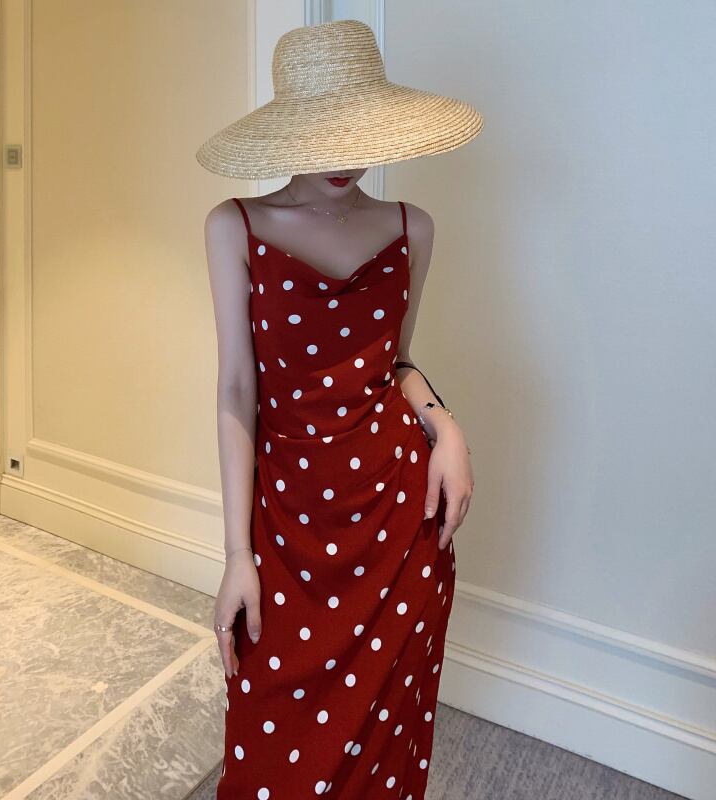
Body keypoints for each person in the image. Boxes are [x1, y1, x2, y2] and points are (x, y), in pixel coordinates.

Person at [196, 18, 482, 799]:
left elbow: (396, 364)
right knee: (273, 735)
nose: (346, 158)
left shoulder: (411, 228)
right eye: (325, 135)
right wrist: (236, 555)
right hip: (287, 518)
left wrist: (446, 426)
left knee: (386, 738)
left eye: (360, 135)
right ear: (288, 131)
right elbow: (236, 388)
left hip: (398, 515)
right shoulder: (235, 226)